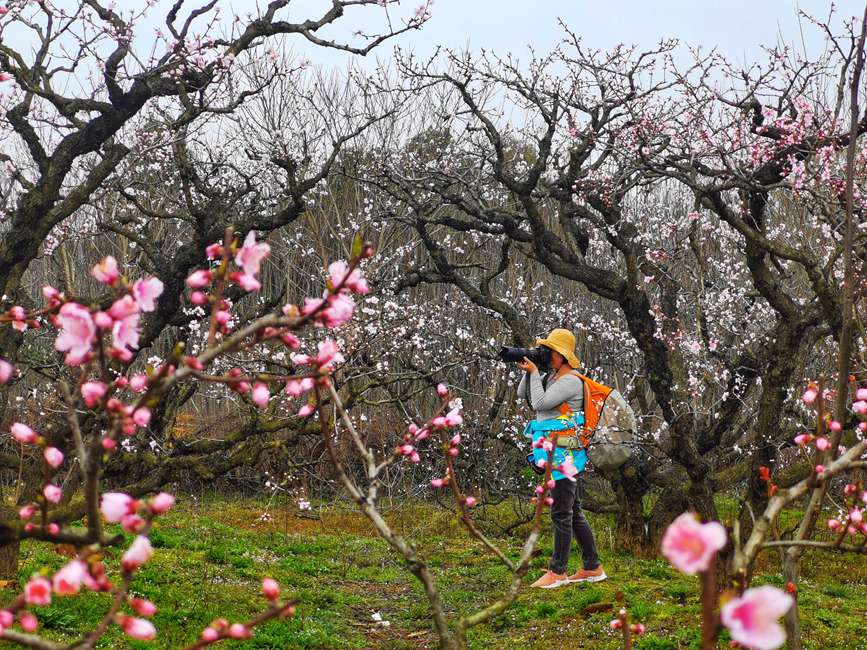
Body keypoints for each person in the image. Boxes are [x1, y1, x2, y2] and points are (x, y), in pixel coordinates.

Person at [516, 328, 606, 589]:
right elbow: (525, 395)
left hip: (566, 455)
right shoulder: (552, 376)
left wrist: (535, 373)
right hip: (556, 451)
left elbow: (540, 404)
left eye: (549, 352)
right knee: (573, 511)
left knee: (562, 513)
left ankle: (558, 572)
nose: (546, 355)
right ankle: (593, 567)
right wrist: (530, 371)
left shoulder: (571, 381)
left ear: (563, 355)